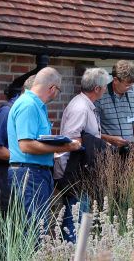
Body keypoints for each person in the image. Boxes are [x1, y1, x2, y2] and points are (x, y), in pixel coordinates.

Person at [7, 67, 81, 221]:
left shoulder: (37, 105)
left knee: (37, 227)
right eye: (59, 90)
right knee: (35, 228)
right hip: (30, 174)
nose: (57, 94)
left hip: (35, 172)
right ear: (52, 88)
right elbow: (26, 146)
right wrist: (66, 147)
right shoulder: (29, 105)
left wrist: (54, 149)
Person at [54, 67, 109, 243]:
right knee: (75, 221)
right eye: (105, 86)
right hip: (75, 174)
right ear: (97, 89)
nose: (106, 89)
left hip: (83, 172)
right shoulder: (80, 107)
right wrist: (98, 145)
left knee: (80, 219)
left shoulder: (86, 105)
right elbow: (71, 140)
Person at [0, 85, 21, 237]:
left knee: (16, 227)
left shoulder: (21, 112)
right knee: (3, 228)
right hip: (4, 177)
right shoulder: (7, 112)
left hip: (16, 176)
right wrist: (23, 158)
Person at [95, 60, 134, 155]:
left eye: (131, 85)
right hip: (107, 152)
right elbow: (91, 132)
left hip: (129, 152)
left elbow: (133, 121)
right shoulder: (100, 96)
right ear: (115, 80)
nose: (130, 88)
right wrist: (111, 139)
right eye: (127, 85)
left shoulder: (131, 94)